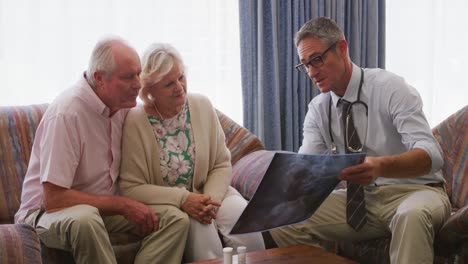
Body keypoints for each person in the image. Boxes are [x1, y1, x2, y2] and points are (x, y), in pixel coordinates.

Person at [269, 17, 451, 264]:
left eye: (317, 60)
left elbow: (432, 155)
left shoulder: (391, 88)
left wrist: (380, 166)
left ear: (342, 48)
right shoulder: (318, 109)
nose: (312, 72)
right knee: (284, 217)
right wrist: (292, 179)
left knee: (411, 215)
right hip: (362, 201)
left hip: (417, 191)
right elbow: (308, 165)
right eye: (305, 65)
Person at [15, 37, 189, 264]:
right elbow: (54, 199)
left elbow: (162, 114)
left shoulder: (123, 107)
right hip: (44, 214)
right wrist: (122, 204)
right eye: (128, 77)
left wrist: (180, 98)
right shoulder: (67, 114)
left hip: (98, 211)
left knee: (175, 219)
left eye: (138, 74)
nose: (138, 84)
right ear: (99, 78)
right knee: (86, 219)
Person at [119, 43, 265, 262]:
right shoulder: (135, 121)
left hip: (214, 195)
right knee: (205, 244)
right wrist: (185, 199)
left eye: (181, 77)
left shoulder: (201, 105)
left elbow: (221, 163)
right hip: (175, 206)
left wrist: (210, 202)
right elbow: (131, 187)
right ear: (149, 90)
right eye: (169, 84)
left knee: (247, 225)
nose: (179, 87)